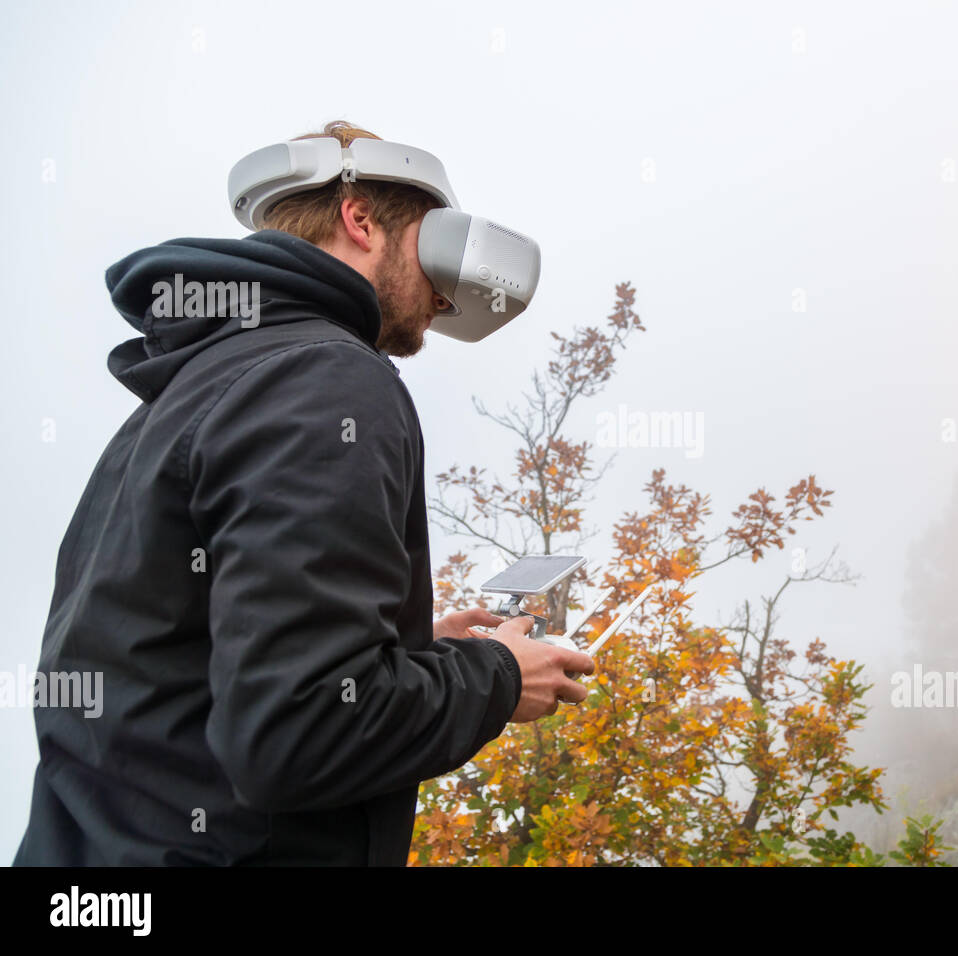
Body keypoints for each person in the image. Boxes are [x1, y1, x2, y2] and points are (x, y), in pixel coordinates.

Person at [12, 121, 593, 866]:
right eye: (432, 250)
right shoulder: (327, 378)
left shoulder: (182, 395)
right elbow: (299, 730)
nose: (445, 302)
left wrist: (408, 652)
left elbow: (193, 669)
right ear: (360, 221)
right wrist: (498, 677)